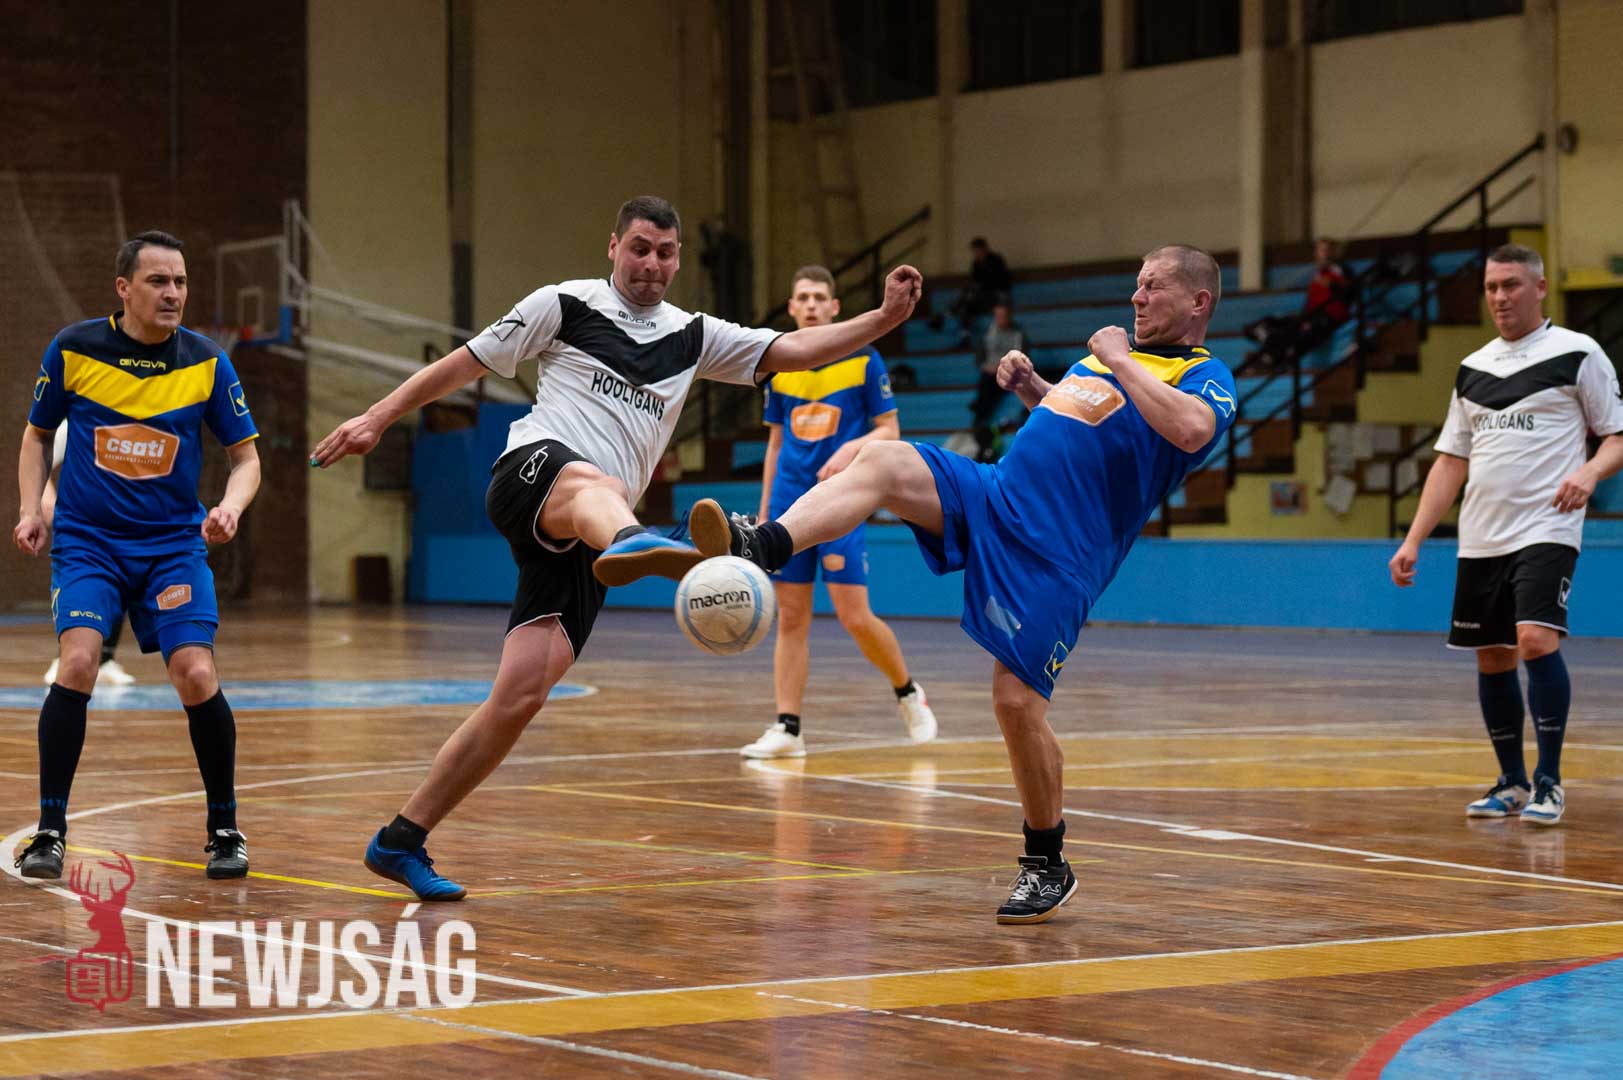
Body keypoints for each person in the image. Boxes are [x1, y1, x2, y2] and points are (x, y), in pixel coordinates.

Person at [311, 196, 922, 900]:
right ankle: (645, 543)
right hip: (535, 476)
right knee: (596, 484)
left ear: (678, 260)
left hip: (590, 541)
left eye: (665, 252)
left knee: (521, 694)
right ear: (613, 247)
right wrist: (379, 415)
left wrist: (884, 319)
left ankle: (400, 839)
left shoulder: (694, 336)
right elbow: (466, 363)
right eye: (639, 248)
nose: (651, 263)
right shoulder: (563, 304)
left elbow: (794, 351)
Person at [672, 245, 1237, 924]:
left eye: (1152, 288)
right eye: (1136, 286)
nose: (1136, 298)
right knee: (882, 461)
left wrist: (1117, 358)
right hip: (996, 493)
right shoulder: (1109, 361)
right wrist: (1034, 389)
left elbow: (1188, 430)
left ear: (1198, 302)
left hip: (1058, 553)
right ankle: (761, 545)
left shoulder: (1205, 377)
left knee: (1015, 704)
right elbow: (1084, 421)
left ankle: (1046, 860)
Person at [12, 230, 261, 880]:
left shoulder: (207, 362)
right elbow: (37, 436)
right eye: (158, 281)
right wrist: (31, 508)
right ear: (124, 289)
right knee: (78, 662)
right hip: (88, 543)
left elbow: (246, 458)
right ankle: (49, 832)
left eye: (180, 281)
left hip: (172, 547)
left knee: (195, 673)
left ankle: (225, 829)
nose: (173, 293)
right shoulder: (74, 348)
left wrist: (231, 506)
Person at [1389, 243, 1623, 827]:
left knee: (1535, 640)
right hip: (1481, 536)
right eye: (1492, 287)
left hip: (1547, 526)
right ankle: (1511, 782)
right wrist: (1413, 539)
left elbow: (1616, 437)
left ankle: (1549, 781)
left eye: (1512, 285)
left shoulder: (1578, 352)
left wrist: (1590, 474)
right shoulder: (1473, 367)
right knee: (1492, 655)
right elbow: (1451, 462)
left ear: (1539, 288)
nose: (1500, 297)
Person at [742, 265, 937, 759]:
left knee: (854, 616)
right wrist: (765, 512)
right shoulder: (780, 366)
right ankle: (788, 727)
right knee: (791, 617)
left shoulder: (864, 359)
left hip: (840, 501)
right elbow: (776, 442)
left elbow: (889, 430)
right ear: (791, 308)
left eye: (819, 298)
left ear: (834, 308)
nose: (810, 305)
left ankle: (907, 690)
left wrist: (852, 451)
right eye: (802, 297)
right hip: (787, 503)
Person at [40, 422, 136, 687]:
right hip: (82, 527)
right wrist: (45, 500)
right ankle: (63, 657)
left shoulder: (143, 419)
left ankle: (106, 659)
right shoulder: (78, 419)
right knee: (80, 593)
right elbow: (38, 455)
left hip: (127, 523)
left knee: (120, 590)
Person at [969, 300, 1031, 461]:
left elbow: (1023, 356)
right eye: (997, 316)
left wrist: (1004, 366)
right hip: (990, 374)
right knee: (986, 386)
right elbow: (980, 357)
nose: (1000, 319)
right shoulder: (987, 332)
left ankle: (1001, 422)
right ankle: (981, 425)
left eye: (1003, 316)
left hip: (1011, 372)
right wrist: (986, 366)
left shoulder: (1018, 334)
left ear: (1009, 316)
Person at [941, 237, 1013, 345]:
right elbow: (974, 282)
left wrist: (979, 290)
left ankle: (947, 314)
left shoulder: (996, 260)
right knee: (967, 302)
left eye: (978, 250)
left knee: (968, 300)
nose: (977, 254)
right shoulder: (976, 264)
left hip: (995, 296)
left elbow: (999, 282)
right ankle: (963, 332)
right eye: (974, 251)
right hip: (980, 297)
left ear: (984, 249)